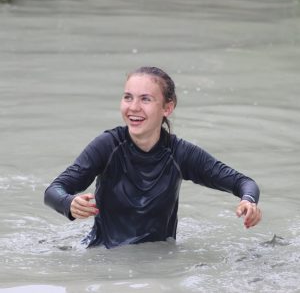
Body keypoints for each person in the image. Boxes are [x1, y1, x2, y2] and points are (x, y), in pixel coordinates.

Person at [44, 66, 262, 249]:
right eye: (127, 97)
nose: (133, 107)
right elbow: (53, 190)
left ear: (167, 108)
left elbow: (244, 183)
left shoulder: (180, 154)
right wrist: (69, 203)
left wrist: (248, 201)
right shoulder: (107, 146)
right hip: (103, 258)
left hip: (160, 263)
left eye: (145, 99)